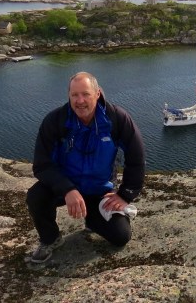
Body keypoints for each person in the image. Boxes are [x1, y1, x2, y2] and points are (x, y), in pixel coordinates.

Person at [26, 71, 146, 263]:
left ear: (97, 94)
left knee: (121, 236)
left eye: (85, 94)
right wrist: (67, 189)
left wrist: (125, 195)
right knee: (36, 196)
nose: (80, 101)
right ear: (69, 95)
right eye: (74, 95)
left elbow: (136, 157)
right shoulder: (56, 121)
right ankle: (50, 238)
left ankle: (92, 219)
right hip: (64, 187)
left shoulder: (116, 118)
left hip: (100, 190)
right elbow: (42, 165)